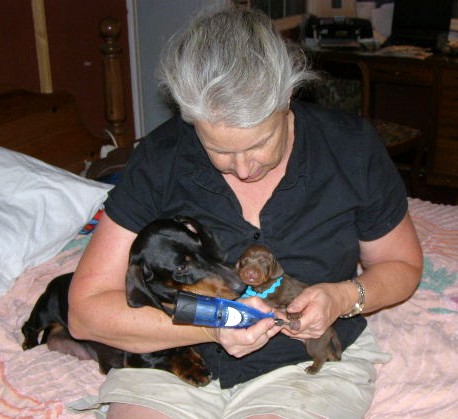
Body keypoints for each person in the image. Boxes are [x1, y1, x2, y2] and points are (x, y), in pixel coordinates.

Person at [68, 7, 422, 419]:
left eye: (259, 144)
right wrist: (213, 325)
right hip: (173, 358)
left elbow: (401, 266)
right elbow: (84, 313)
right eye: (219, 150)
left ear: (288, 100)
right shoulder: (159, 159)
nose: (243, 168)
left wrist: (344, 296)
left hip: (303, 365)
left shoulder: (351, 148)